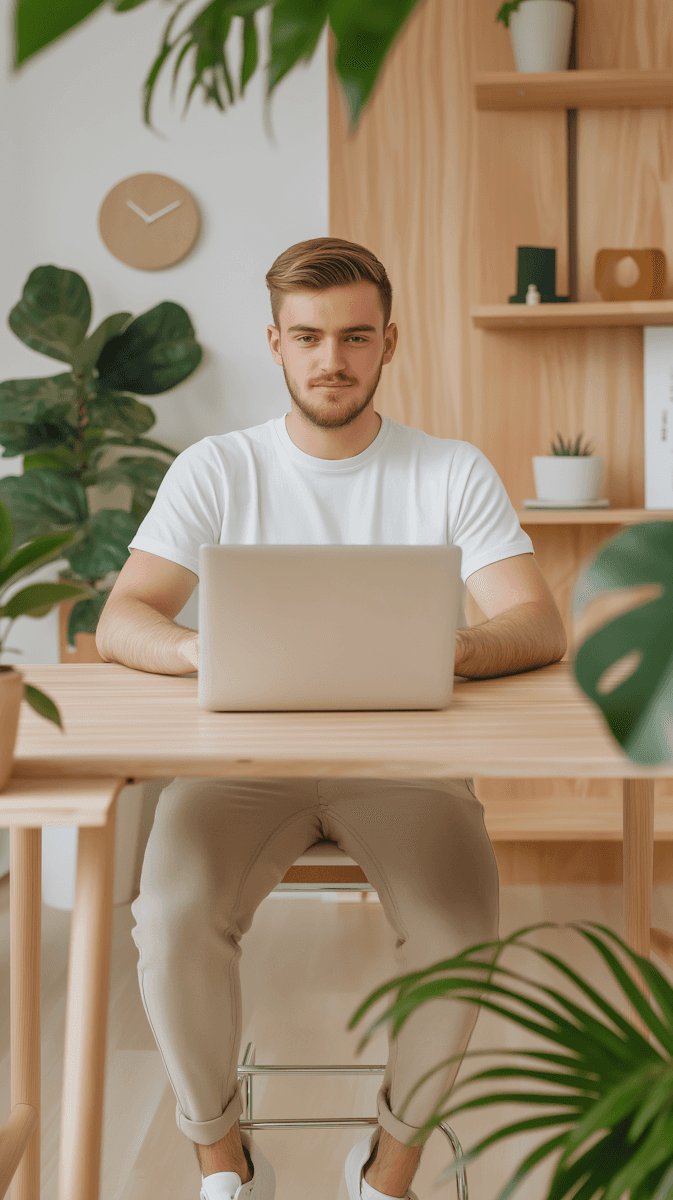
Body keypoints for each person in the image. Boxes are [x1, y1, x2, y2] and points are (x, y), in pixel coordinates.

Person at [96, 237, 567, 1200]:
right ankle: (224, 1162)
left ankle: (386, 1170)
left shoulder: (449, 469)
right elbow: (121, 619)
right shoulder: (217, 468)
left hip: (407, 769)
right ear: (274, 342)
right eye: (308, 337)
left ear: (389, 343)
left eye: (355, 337)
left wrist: (455, 651)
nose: (331, 360)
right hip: (238, 765)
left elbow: (536, 623)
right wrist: (201, 652)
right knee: (171, 919)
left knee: (461, 935)